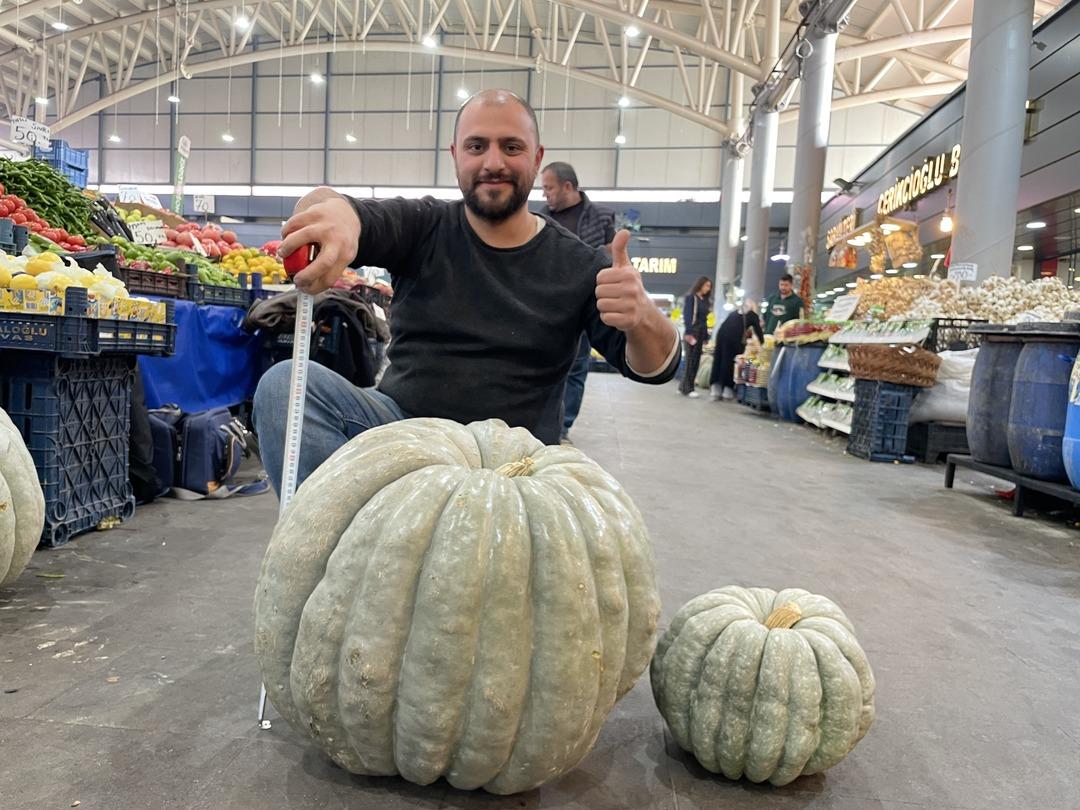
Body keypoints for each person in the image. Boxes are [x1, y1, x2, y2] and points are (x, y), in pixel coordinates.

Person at [253, 89, 681, 494]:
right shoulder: (423, 225)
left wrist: (643, 315)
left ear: (537, 157)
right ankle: (336, 552)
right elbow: (346, 209)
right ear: (456, 156)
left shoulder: (581, 265)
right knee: (285, 385)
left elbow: (654, 367)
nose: (493, 162)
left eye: (511, 147)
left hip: (515, 468)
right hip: (403, 437)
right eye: (477, 147)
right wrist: (334, 216)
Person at [540, 161, 617, 443]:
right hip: (544, 306)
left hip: (581, 305)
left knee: (576, 368)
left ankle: (563, 428)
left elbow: (610, 258)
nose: (545, 193)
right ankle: (539, 422)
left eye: (549, 187)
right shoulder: (539, 217)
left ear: (568, 186)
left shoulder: (600, 218)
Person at [709, 300, 763, 401]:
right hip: (733, 340)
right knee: (730, 363)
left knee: (718, 361)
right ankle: (727, 390)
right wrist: (763, 345)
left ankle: (715, 389)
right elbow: (759, 331)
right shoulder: (753, 315)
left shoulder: (734, 312)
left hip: (720, 336)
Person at [678, 276, 713, 398]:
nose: (708, 289)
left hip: (701, 333)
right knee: (690, 360)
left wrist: (706, 336)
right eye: (707, 285)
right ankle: (688, 388)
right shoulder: (691, 298)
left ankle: (684, 386)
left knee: (695, 360)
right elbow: (687, 315)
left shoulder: (705, 300)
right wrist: (688, 332)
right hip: (692, 333)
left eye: (710, 286)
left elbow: (705, 319)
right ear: (701, 285)